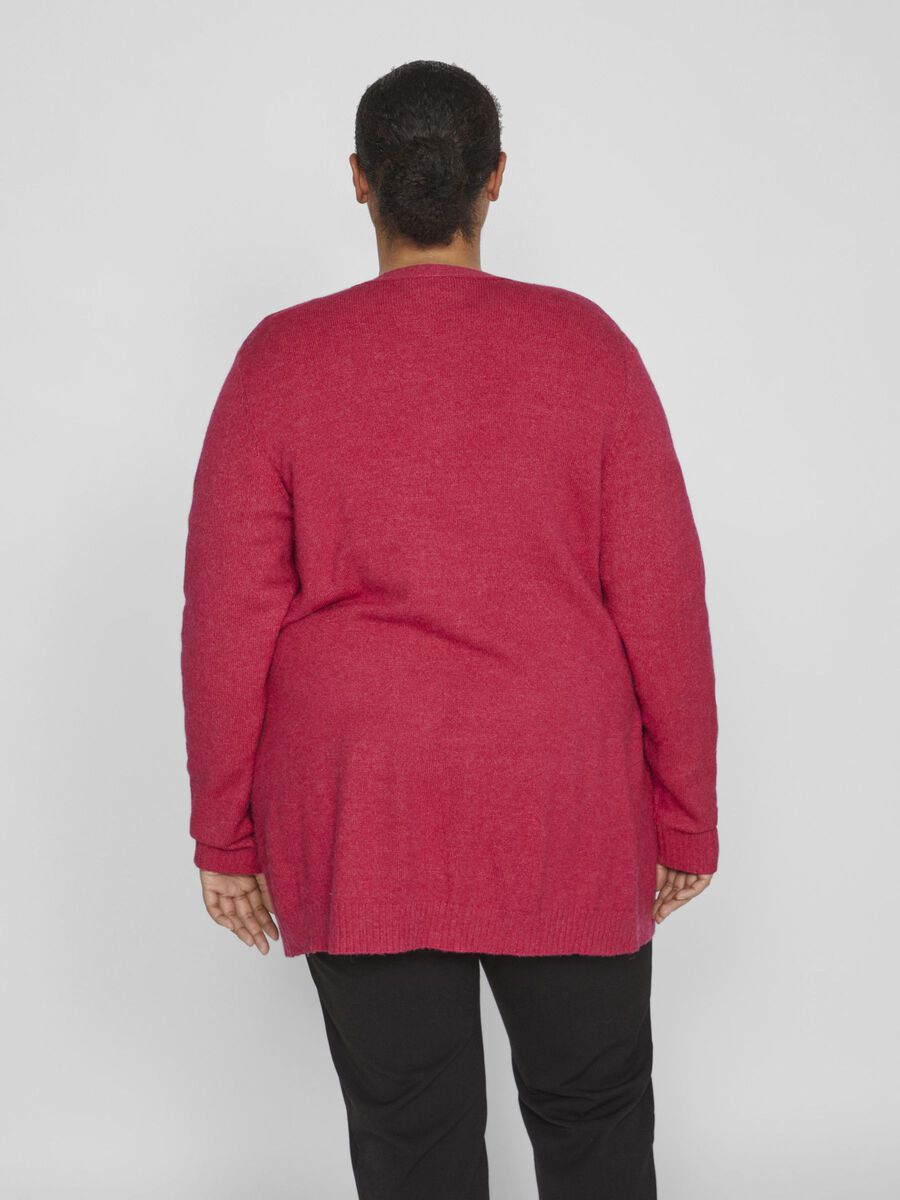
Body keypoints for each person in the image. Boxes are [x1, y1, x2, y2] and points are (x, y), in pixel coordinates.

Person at [180, 58, 718, 1200]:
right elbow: (664, 598)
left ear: (360, 180)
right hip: (563, 794)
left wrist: (225, 836)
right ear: (496, 178)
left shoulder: (281, 358)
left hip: (360, 799)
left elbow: (227, 618)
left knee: (410, 1141)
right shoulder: (588, 348)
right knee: (596, 1121)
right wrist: (686, 814)